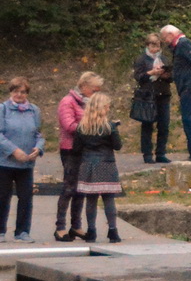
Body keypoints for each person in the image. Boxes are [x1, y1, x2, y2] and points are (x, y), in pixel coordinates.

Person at [55, 72, 102, 239]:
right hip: (70, 149)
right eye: (94, 89)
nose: (96, 92)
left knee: (81, 189)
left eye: (98, 90)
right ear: (83, 87)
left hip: (86, 150)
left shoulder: (90, 103)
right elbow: (69, 125)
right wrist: (91, 127)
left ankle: (76, 225)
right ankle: (60, 226)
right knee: (69, 187)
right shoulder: (67, 102)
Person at [73, 91, 124, 244]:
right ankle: (113, 231)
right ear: (103, 108)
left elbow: (76, 149)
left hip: (88, 164)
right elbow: (118, 146)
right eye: (107, 106)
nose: (108, 109)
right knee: (109, 199)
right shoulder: (109, 127)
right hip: (106, 164)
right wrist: (115, 129)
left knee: (91, 199)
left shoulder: (82, 127)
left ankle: (92, 231)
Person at [0, 78, 44, 241]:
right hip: (4, 162)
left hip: (26, 164)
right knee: (2, 196)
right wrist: (14, 151)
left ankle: (22, 231)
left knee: (26, 198)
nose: (19, 95)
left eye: (23, 92)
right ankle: (0, 231)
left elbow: (39, 135)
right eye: (16, 91)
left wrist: (38, 148)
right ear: (11, 92)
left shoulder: (34, 111)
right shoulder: (3, 109)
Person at [161, 25, 191, 160]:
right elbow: (185, 66)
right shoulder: (179, 47)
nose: (164, 41)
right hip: (188, 87)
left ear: (171, 34)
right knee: (189, 119)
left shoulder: (184, 44)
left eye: (165, 37)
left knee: (190, 119)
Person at [130, 33, 173, 164]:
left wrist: (165, 75)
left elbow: (171, 77)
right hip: (148, 96)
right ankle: (147, 154)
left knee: (164, 125)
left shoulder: (164, 59)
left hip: (163, 94)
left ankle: (161, 152)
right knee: (147, 125)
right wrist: (151, 73)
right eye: (153, 45)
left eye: (158, 45)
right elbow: (138, 77)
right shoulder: (141, 59)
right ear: (147, 45)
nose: (156, 48)